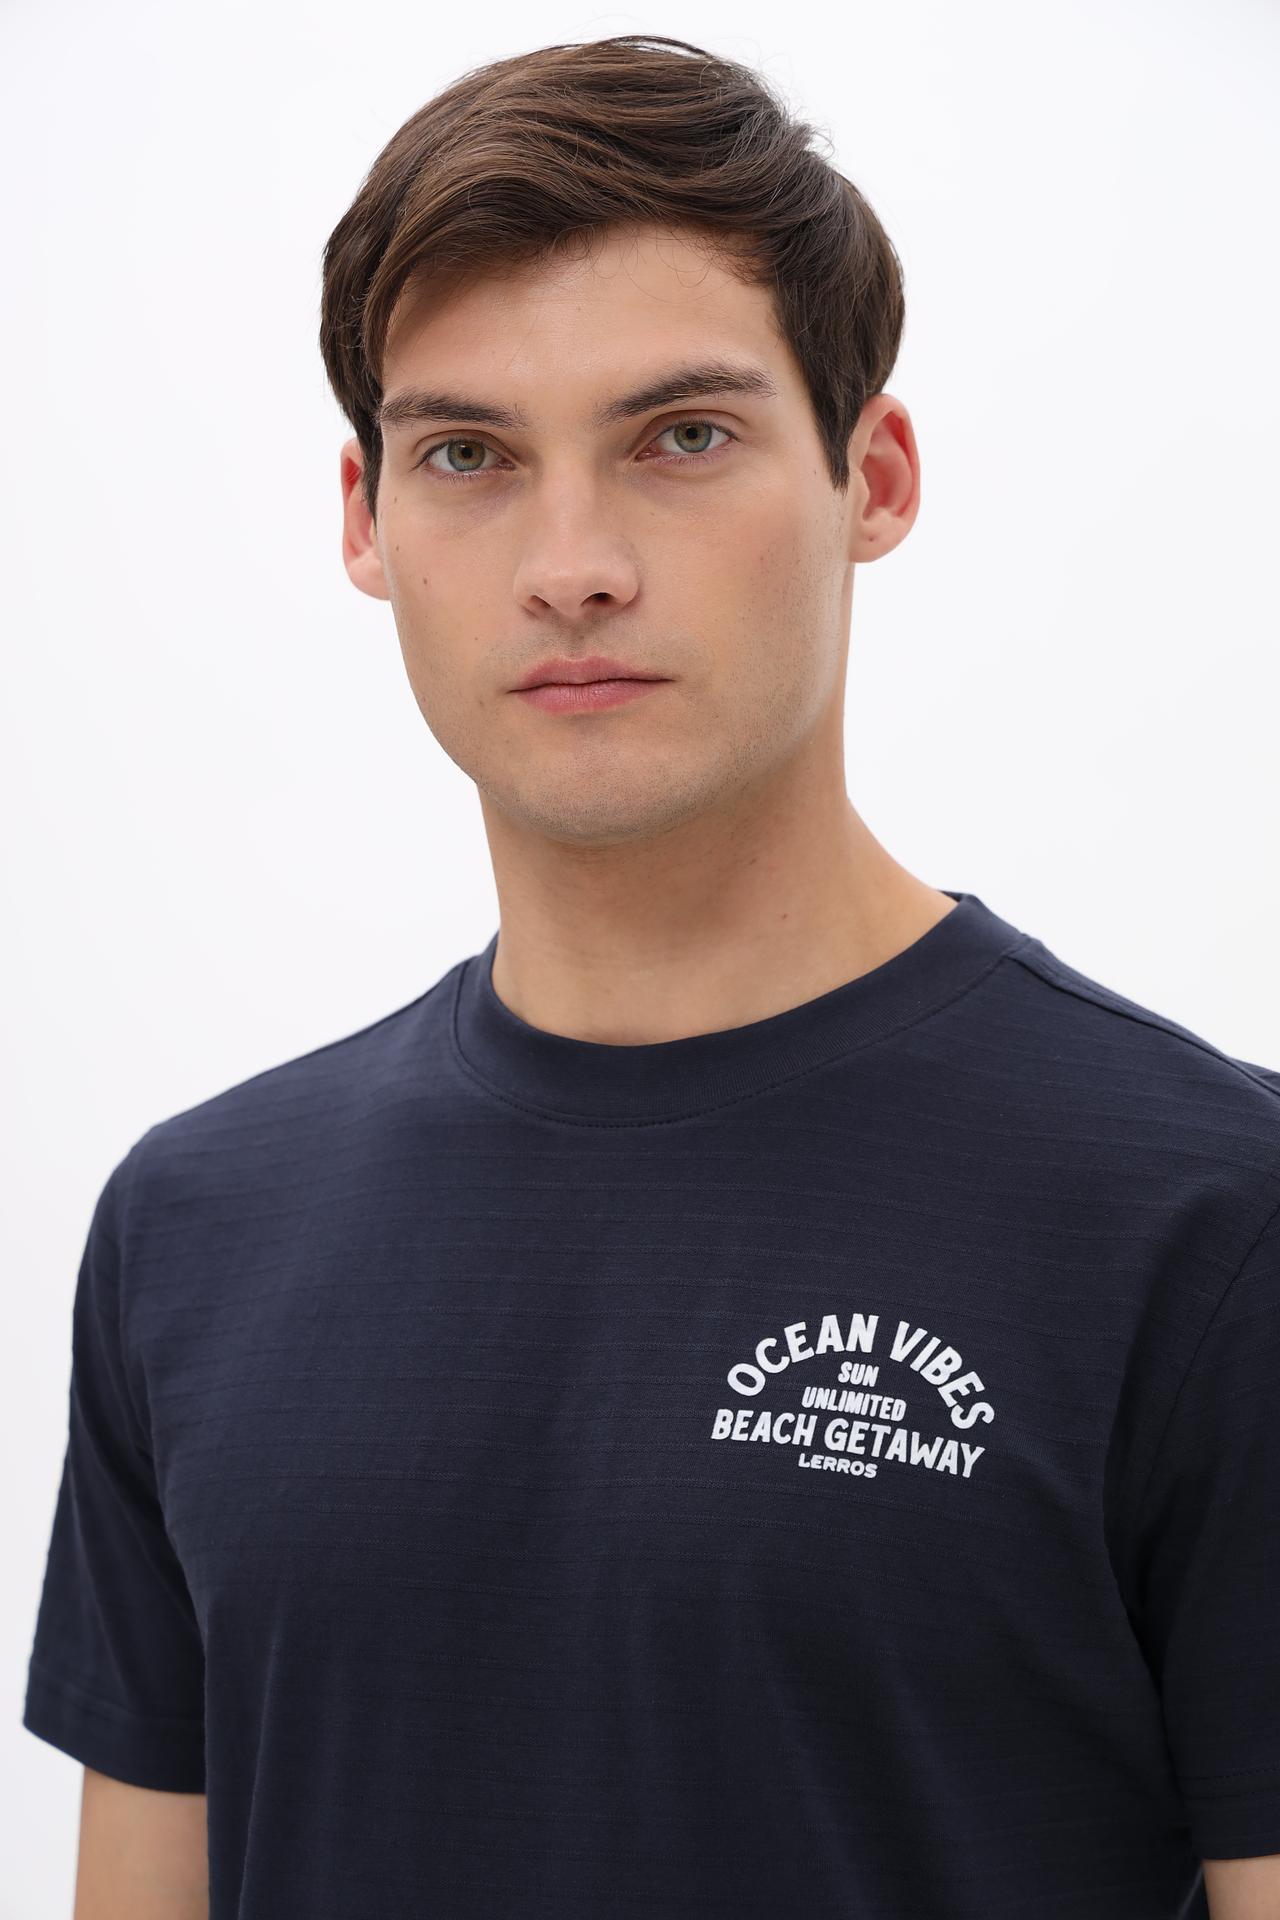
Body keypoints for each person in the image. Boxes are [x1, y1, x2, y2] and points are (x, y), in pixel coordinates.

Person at [22, 32, 1280, 1920]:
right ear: (365, 519)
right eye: (468, 456)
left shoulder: (1213, 1223)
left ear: (873, 476)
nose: (574, 565)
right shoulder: (193, 1229)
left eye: (681, 438)